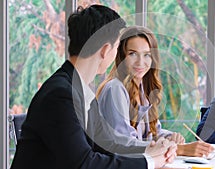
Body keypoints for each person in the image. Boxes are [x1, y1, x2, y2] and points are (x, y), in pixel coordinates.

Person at [11, 5, 177, 169]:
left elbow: (107, 144)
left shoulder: (80, 91)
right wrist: (150, 163)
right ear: (105, 50)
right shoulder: (60, 95)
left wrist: (152, 150)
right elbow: (84, 163)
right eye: (118, 47)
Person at [96, 26, 214, 157]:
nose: (141, 62)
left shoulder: (142, 89)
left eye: (147, 55)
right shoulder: (115, 89)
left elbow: (152, 134)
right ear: (121, 57)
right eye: (132, 54)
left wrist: (170, 138)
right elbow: (123, 143)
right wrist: (179, 150)